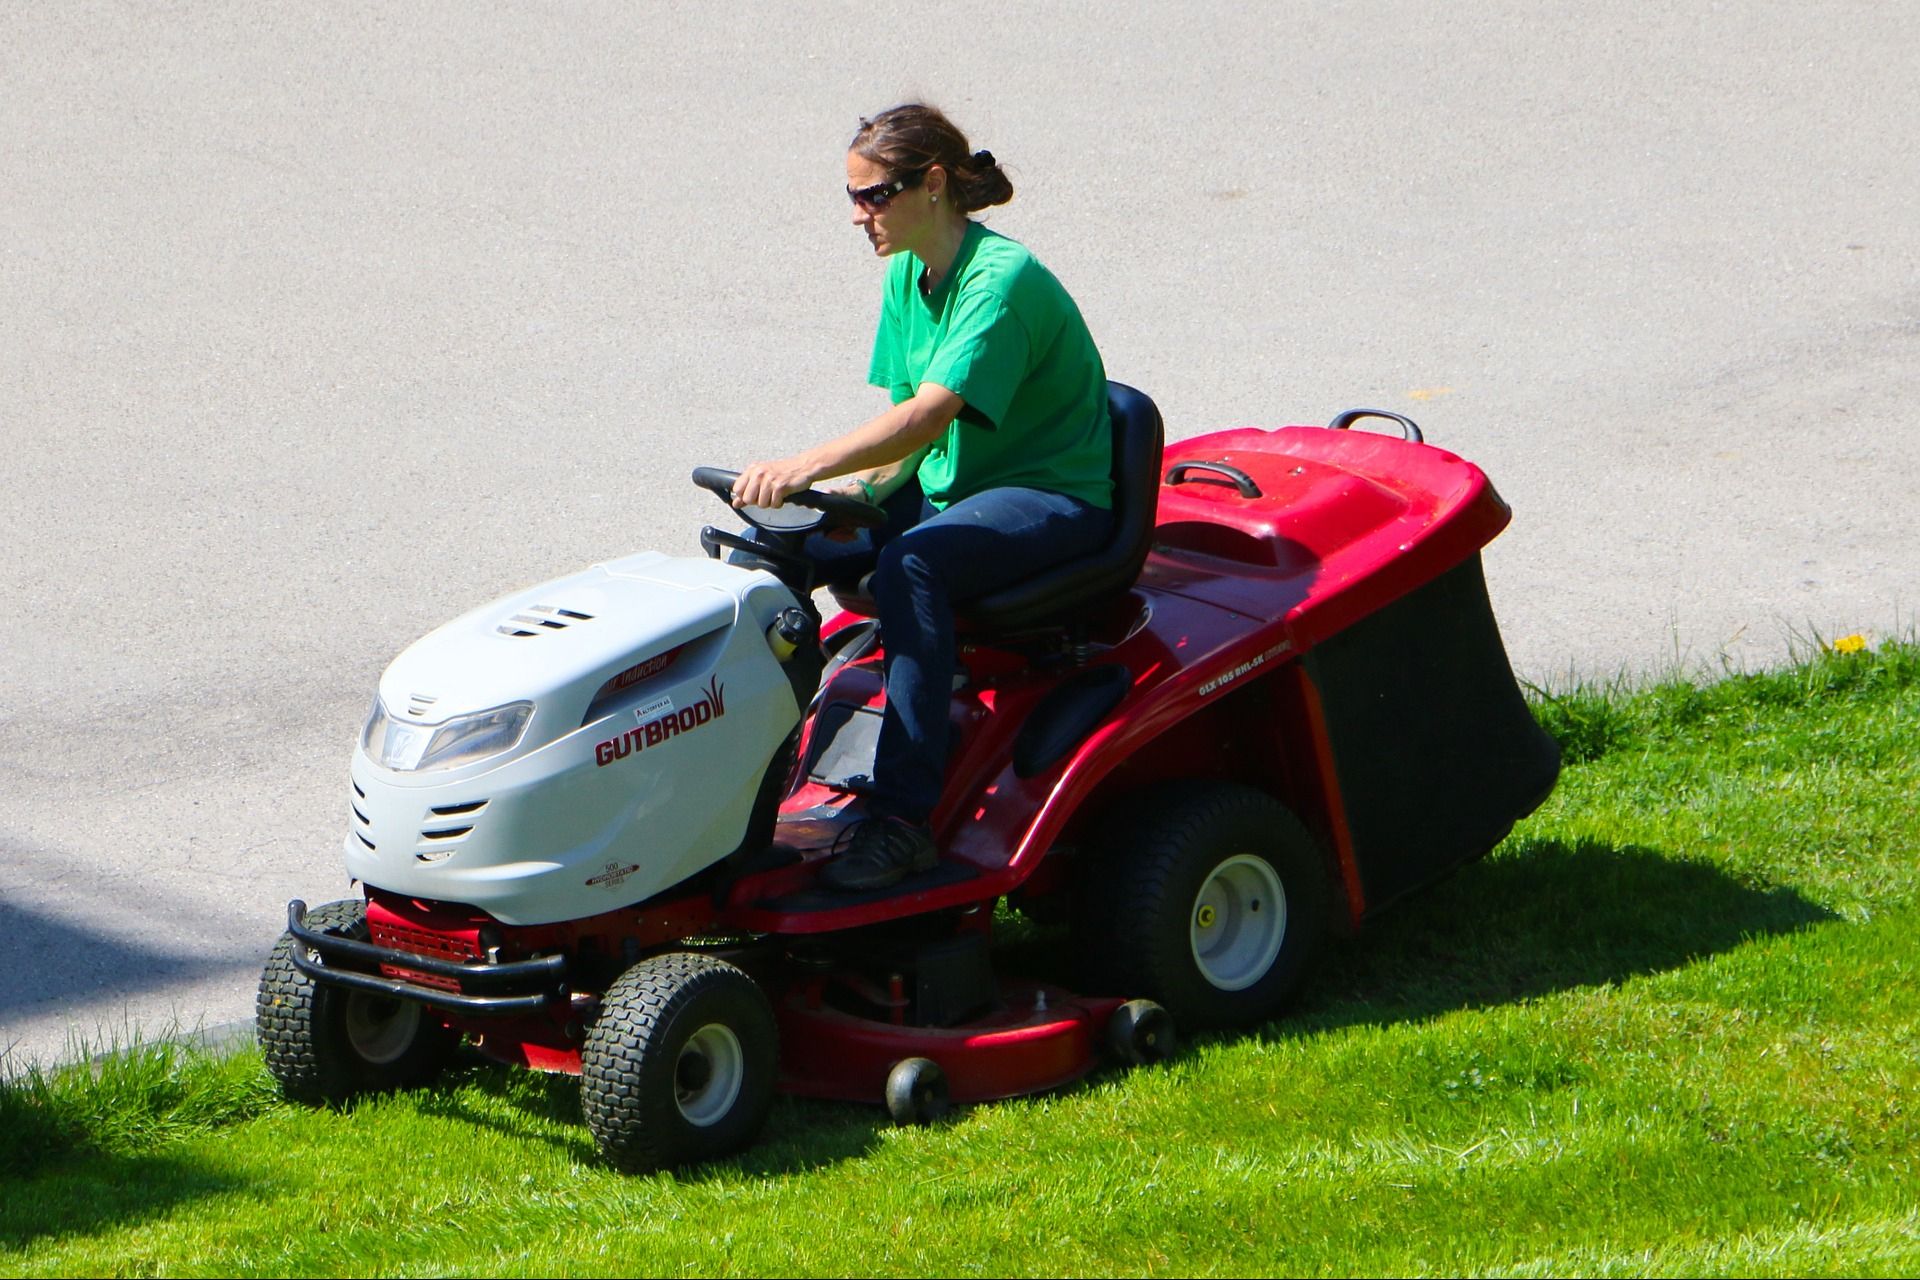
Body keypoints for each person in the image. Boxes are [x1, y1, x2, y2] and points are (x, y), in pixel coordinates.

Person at [731, 103, 1113, 891]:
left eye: (874, 196)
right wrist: (836, 506)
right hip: (954, 485)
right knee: (784, 546)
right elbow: (905, 438)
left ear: (933, 184)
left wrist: (804, 465)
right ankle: (742, 803)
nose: (858, 215)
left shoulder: (1001, 282)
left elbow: (928, 413)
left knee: (911, 566)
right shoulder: (909, 270)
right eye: (852, 197)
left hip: (1050, 495)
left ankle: (903, 821)